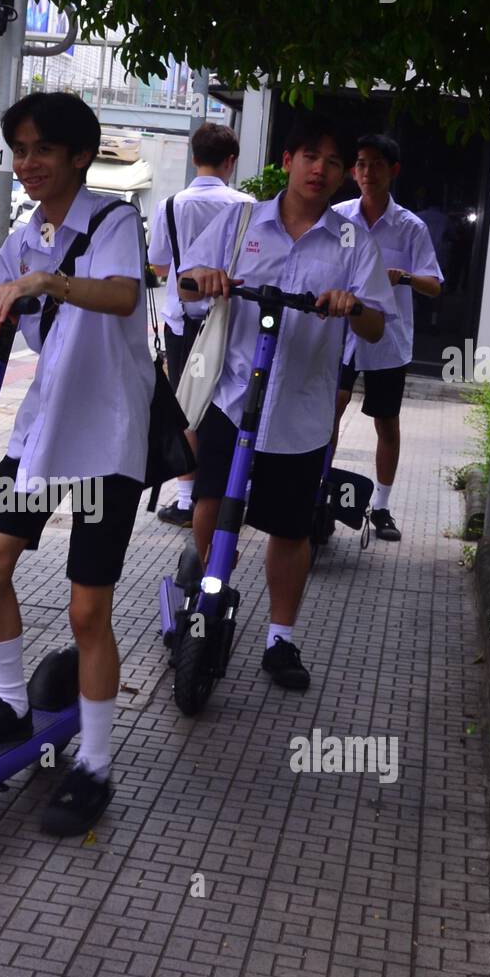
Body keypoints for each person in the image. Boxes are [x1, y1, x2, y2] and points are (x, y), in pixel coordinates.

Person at [0, 92, 154, 837]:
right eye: (19, 150)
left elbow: (121, 294)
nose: (27, 163)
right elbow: (26, 332)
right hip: (41, 435)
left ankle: (94, 764)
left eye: (40, 149)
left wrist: (45, 282)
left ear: (76, 154)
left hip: (106, 440)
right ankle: (10, 702)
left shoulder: (111, 220)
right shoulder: (20, 236)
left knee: (86, 610)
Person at [180, 114, 396, 692]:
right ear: (287, 161)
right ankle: (207, 594)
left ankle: (280, 637)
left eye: (332, 161)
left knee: (289, 530)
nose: (320, 170)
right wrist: (203, 275)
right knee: (209, 503)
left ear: (344, 174)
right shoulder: (239, 218)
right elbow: (185, 281)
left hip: (302, 408)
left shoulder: (354, 242)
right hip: (232, 395)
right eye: (309, 156)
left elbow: (376, 327)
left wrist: (352, 305)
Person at [332, 134, 442, 540]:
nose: (366, 172)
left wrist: (406, 277)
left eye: (376, 164)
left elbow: (434, 285)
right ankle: (318, 491)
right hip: (340, 335)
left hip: (387, 340)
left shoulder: (410, 227)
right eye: (360, 163)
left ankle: (381, 506)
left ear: (393, 170)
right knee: (331, 409)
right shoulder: (339, 217)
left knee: (386, 423)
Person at [147, 122, 250, 527]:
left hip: (182, 323)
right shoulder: (246, 205)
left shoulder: (171, 205)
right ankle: (225, 494)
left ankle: (188, 500)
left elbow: (159, 265)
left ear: (194, 157)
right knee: (227, 405)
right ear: (231, 161)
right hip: (229, 322)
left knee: (186, 406)